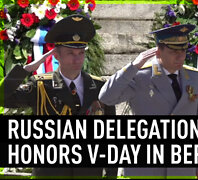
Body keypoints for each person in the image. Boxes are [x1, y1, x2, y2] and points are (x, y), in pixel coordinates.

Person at [0, 14, 118, 178]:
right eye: (70, 53)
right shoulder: (40, 85)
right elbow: (2, 97)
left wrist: (111, 174)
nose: (77, 59)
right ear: (56, 55)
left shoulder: (99, 86)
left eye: (80, 53)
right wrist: (25, 70)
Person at [99, 24, 198, 178]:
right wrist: (133, 67)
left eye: (183, 50)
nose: (180, 56)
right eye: (173, 51)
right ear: (158, 51)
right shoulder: (141, 76)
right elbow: (106, 97)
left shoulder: (194, 77)